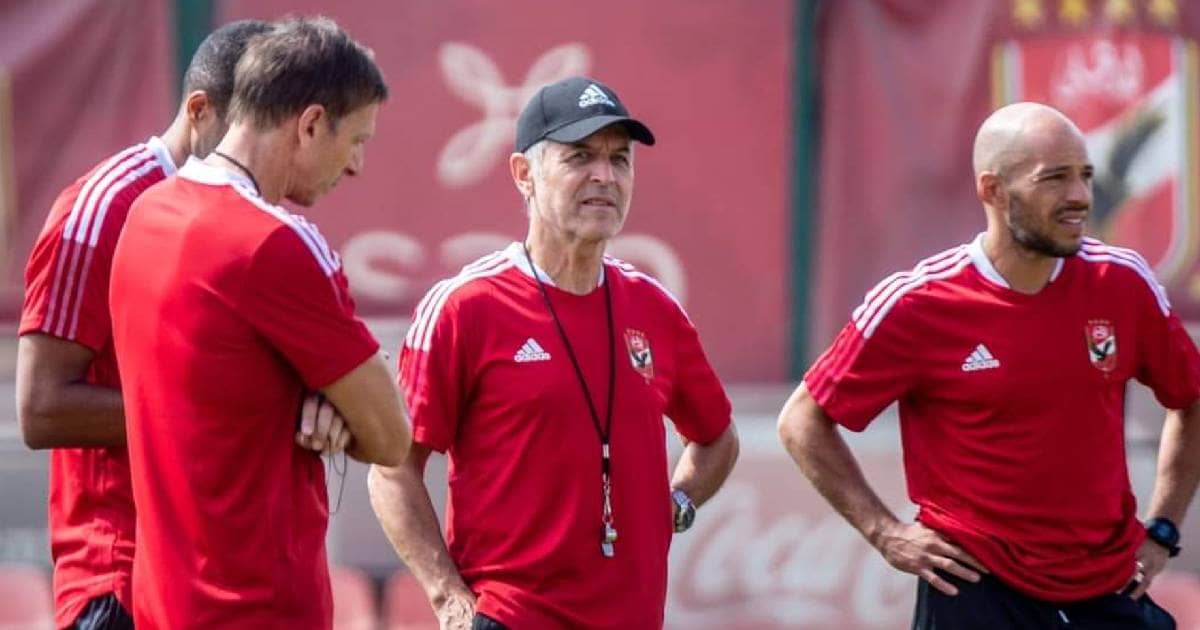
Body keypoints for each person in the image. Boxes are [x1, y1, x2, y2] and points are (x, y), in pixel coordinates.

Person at [777, 102, 1200, 629]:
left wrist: (1164, 528)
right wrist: (884, 532)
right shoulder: (919, 301)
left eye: (1085, 175)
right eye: (1055, 178)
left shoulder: (1122, 282)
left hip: (1109, 585)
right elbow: (803, 420)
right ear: (993, 190)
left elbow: (1191, 398)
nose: (1080, 196)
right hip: (977, 589)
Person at [368, 76, 740, 630]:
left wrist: (678, 504)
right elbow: (394, 470)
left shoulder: (655, 308)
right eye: (580, 156)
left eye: (620, 159)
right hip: (509, 617)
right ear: (524, 174)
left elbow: (716, 438)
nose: (604, 176)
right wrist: (448, 598)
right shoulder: (466, 306)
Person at [107, 17, 410, 628]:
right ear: (311, 124)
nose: (355, 166)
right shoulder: (275, 243)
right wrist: (331, 395)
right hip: (261, 607)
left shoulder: (145, 214)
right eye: (356, 141)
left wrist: (310, 391)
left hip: (161, 604)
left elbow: (223, 382)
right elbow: (389, 436)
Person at [13, 20, 308, 629]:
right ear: (200, 111)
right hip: (122, 573)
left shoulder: (260, 222)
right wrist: (237, 419)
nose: (263, 153)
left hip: (218, 580)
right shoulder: (103, 208)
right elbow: (42, 408)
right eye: (249, 129)